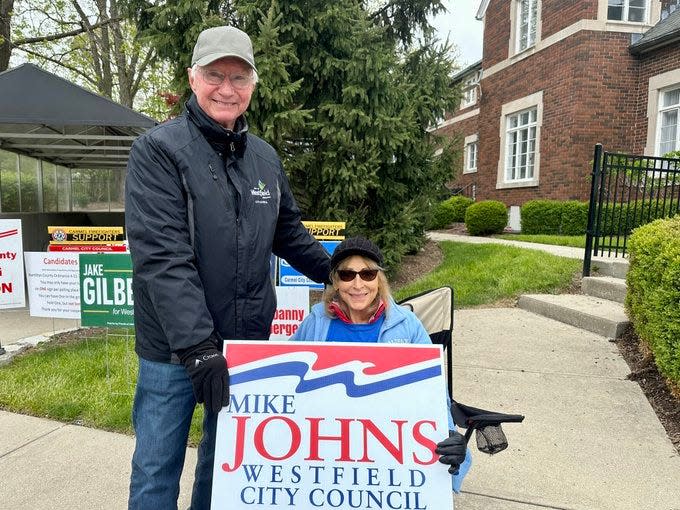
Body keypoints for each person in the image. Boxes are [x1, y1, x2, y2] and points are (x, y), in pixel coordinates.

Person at [124, 25, 330, 510]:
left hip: (244, 346)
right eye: (215, 74)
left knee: (224, 472)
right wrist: (197, 348)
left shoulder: (264, 157)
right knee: (156, 473)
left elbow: (288, 231)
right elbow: (162, 257)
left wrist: (340, 271)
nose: (226, 88)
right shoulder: (157, 151)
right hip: (173, 352)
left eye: (239, 78)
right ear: (194, 79)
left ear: (253, 87)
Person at [291, 236, 472, 491]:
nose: (357, 284)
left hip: (384, 460)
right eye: (347, 275)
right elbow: (285, 378)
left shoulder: (407, 326)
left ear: (379, 279)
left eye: (367, 274)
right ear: (335, 281)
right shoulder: (316, 322)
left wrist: (452, 439)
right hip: (324, 453)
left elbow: (433, 394)